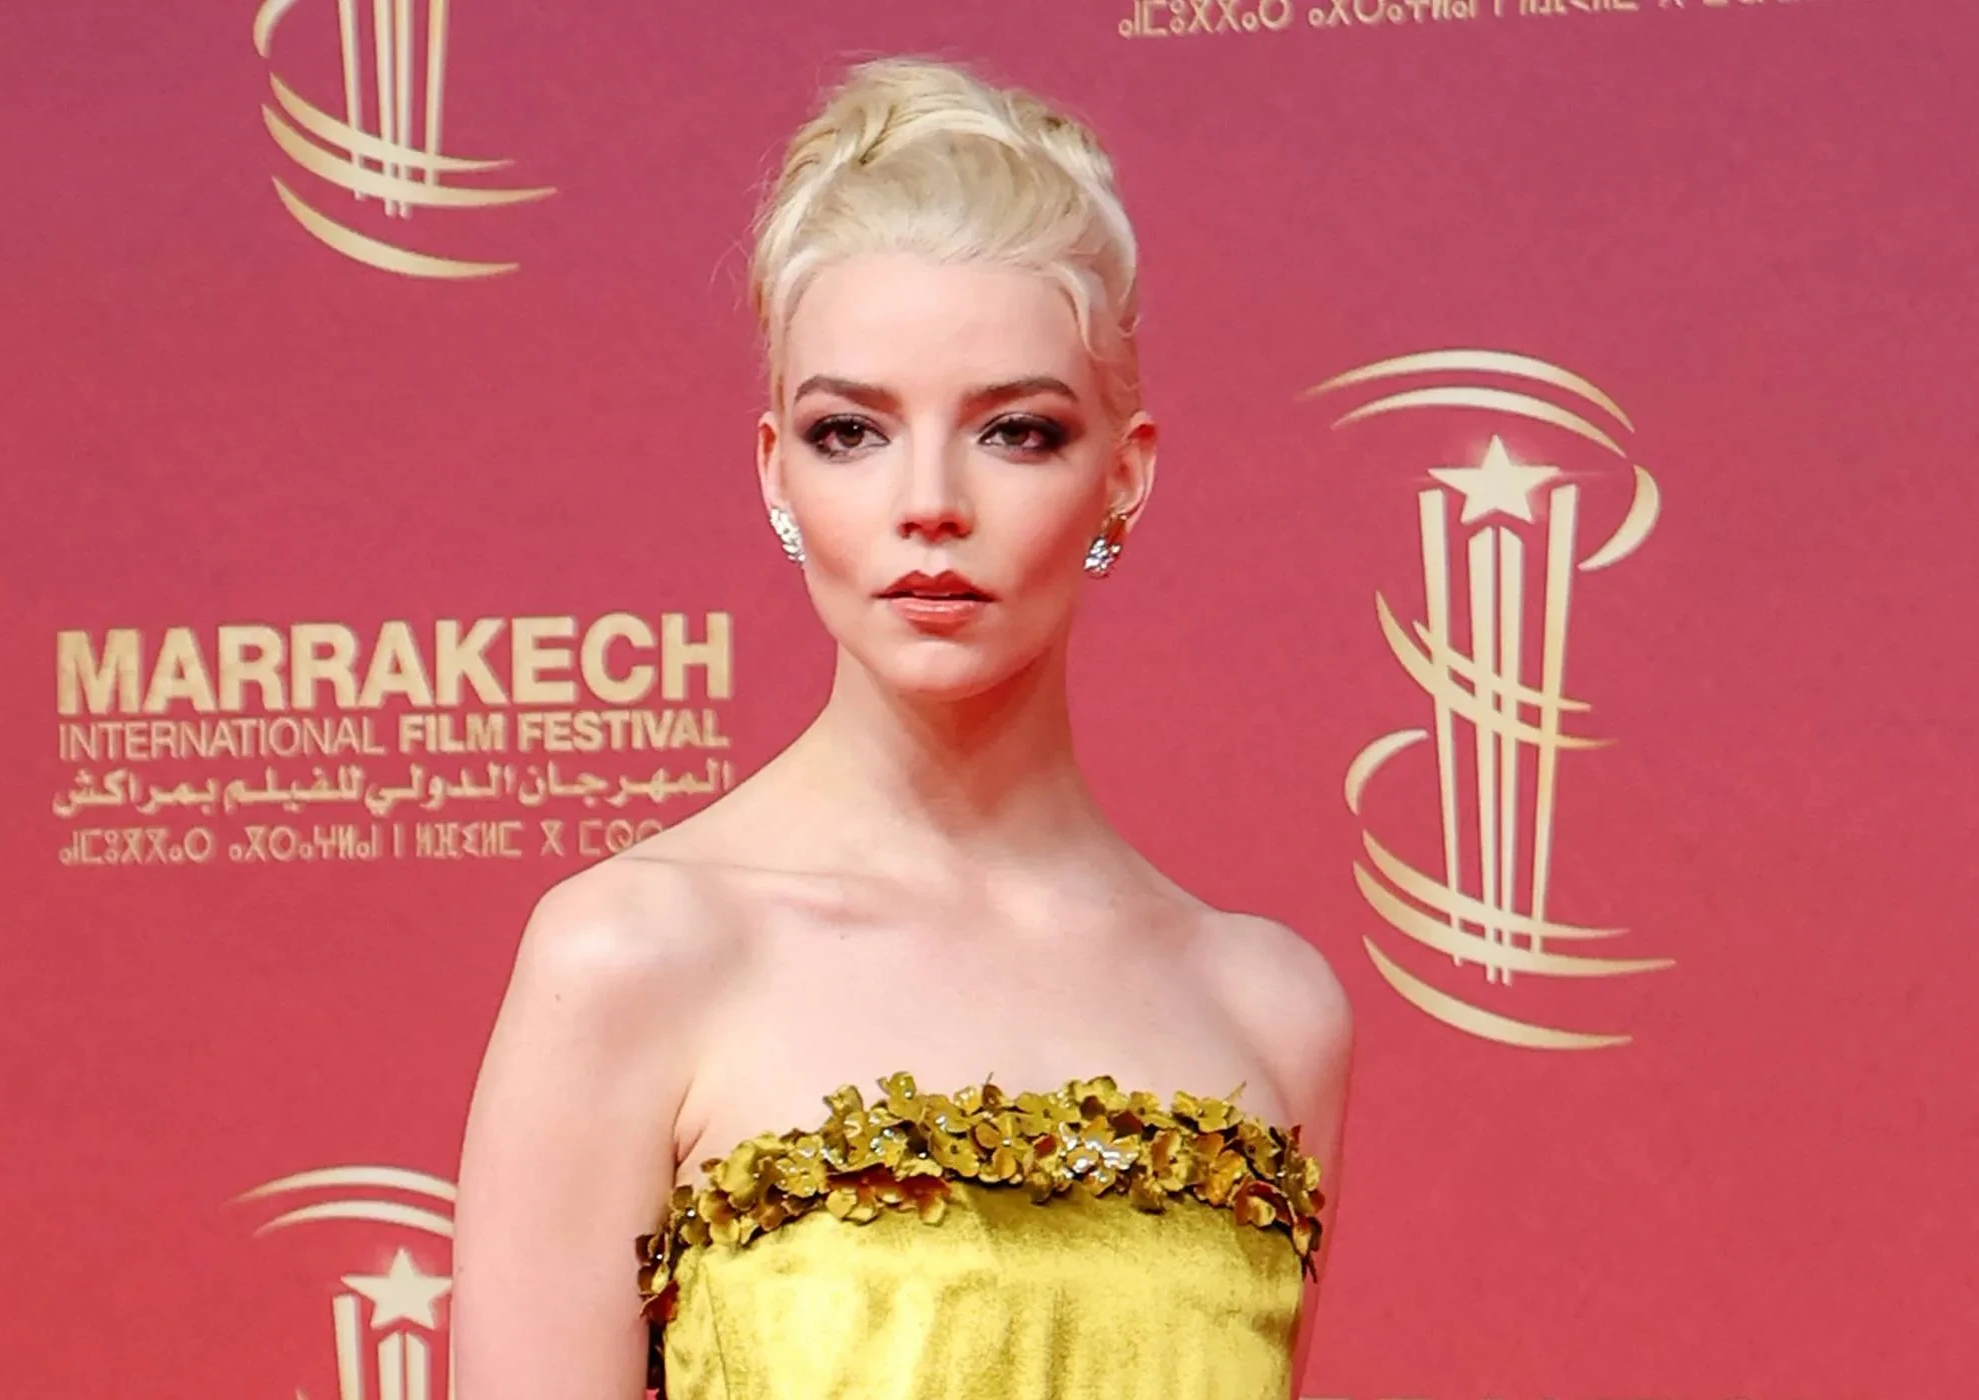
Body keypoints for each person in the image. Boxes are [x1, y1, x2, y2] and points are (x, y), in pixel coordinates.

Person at [451, 54, 1354, 1400]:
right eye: (851, 432)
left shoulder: (1269, 1010)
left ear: (1124, 476)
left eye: (1017, 432)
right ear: (777, 473)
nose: (930, 502)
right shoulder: (634, 954)